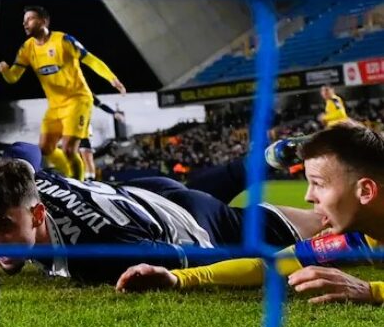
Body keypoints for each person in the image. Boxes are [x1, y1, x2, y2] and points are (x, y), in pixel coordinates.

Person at [117, 123, 384, 304]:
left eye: (319, 184)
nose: (308, 196)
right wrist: (179, 278)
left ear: (365, 191)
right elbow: (266, 265)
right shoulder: (355, 238)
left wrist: (371, 290)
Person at [0, 158, 324, 284]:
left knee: (324, 224)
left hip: (192, 219)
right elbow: (23, 158)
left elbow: (212, 259)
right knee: (210, 183)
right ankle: (264, 158)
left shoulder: (102, 255)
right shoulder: (32, 183)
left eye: (3, 225)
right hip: (143, 194)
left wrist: (174, 278)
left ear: (37, 214)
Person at [0, 6, 125, 181]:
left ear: (43, 21)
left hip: (78, 100)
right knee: (45, 149)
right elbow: (13, 77)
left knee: (70, 149)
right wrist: (5, 70)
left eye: (30, 19)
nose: (25, 23)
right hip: (55, 105)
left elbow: (91, 60)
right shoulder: (27, 48)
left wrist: (112, 78)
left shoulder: (63, 40)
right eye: (24, 20)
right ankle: (70, 175)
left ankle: (78, 185)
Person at [76, 97, 125, 181]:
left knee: (85, 154)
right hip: (71, 128)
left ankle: (89, 178)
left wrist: (114, 113)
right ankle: (82, 176)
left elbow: (100, 104)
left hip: (83, 129)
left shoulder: (85, 92)